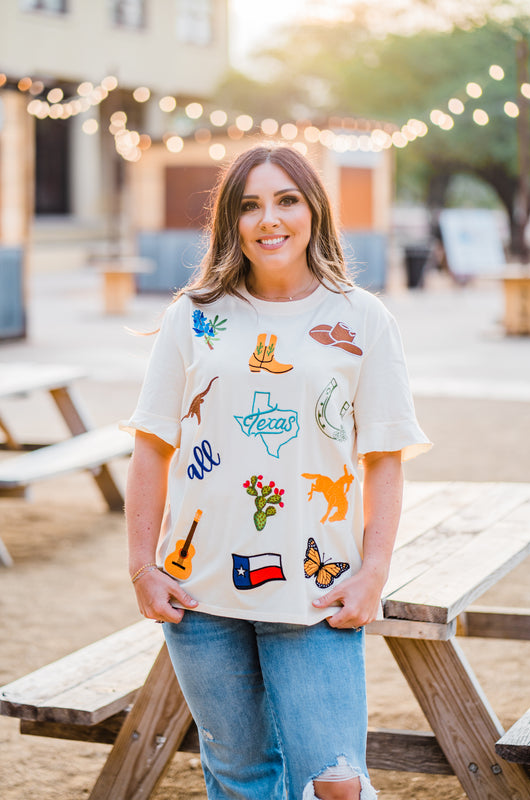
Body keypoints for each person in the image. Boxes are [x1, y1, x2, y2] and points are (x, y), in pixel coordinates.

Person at [123, 144, 431, 800]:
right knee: (240, 779)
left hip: (315, 589)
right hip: (199, 593)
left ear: (313, 209)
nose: (270, 219)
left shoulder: (360, 318)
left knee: (335, 781)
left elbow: (383, 459)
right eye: (249, 205)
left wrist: (372, 574)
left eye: (286, 199)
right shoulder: (194, 315)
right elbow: (151, 447)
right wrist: (143, 568)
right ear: (229, 223)